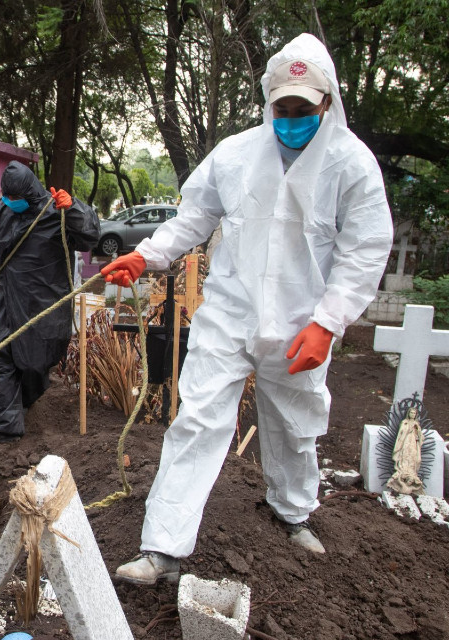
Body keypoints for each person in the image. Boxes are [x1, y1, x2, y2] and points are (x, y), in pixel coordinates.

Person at [107, 34, 393, 584]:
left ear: (326, 102)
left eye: (303, 109)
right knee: (197, 418)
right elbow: (193, 217)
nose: (291, 118)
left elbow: (365, 251)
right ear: (268, 102)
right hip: (231, 314)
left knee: (294, 424)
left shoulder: (352, 165)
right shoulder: (236, 155)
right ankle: (162, 546)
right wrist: (147, 255)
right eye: (282, 108)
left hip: (300, 324)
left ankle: (292, 512)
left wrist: (328, 322)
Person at [0, 161, 99, 446]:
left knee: (36, 362)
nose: (10, 202)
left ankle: (24, 402)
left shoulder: (55, 212)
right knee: (3, 361)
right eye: (7, 196)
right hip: (4, 299)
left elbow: (89, 238)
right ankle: (5, 428)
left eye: (17, 198)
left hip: (43, 302)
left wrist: (73, 207)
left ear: (31, 193)